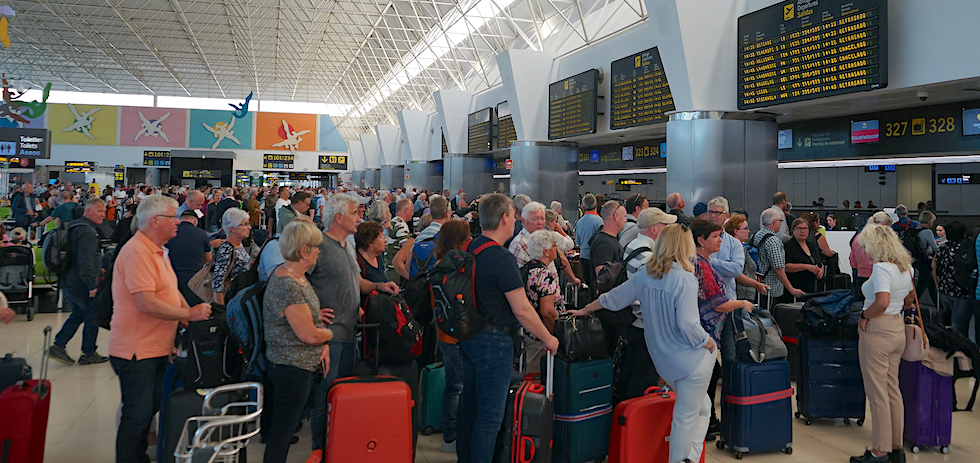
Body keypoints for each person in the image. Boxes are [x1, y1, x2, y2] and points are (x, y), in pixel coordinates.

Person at [568, 224, 714, 463]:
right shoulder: (686, 279)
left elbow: (613, 299)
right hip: (690, 360)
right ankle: (682, 460)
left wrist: (585, 309)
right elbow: (689, 325)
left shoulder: (646, 274)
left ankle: (690, 458)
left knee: (702, 407)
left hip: (663, 361)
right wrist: (707, 341)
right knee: (686, 417)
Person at [108, 195, 212, 463]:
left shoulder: (159, 250)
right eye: (172, 217)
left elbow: (171, 292)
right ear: (155, 221)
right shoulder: (137, 252)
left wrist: (186, 324)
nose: (178, 221)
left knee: (150, 407)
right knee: (137, 413)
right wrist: (187, 313)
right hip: (135, 350)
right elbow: (147, 303)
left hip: (155, 347)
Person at [456, 193, 559, 463]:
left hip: (469, 336)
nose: (514, 221)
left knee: (470, 409)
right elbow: (522, 308)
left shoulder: (471, 248)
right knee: (490, 417)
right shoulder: (501, 258)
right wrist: (548, 337)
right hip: (494, 342)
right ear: (504, 218)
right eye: (513, 216)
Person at [307, 193, 399, 452]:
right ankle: (321, 450)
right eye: (354, 214)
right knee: (325, 396)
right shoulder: (319, 246)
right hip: (329, 337)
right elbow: (298, 279)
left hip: (350, 333)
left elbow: (357, 282)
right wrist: (313, 313)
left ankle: (337, 447)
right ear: (338, 217)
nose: (359, 218)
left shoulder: (347, 245)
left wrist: (379, 286)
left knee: (342, 395)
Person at [262, 220, 331, 463]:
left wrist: (322, 342)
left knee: (284, 427)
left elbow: (312, 320)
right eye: (316, 247)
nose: (319, 251)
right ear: (304, 251)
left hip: (300, 364)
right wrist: (331, 335)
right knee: (282, 430)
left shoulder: (296, 277)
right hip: (291, 366)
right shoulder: (288, 284)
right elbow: (308, 334)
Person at [850, 224, 914, 463]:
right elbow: (908, 299)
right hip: (898, 330)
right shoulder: (906, 268)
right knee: (892, 390)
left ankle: (879, 451)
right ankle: (896, 447)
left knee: (877, 394)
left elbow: (882, 302)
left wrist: (865, 315)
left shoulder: (881, 269)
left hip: (878, 330)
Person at [690, 219, 755, 436]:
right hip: (704, 332)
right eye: (716, 237)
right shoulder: (702, 265)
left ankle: (707, 421)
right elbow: (719, 304)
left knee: (709, 375)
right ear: (701, 240)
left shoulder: (702, 262)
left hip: (702, 330)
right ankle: (705, 423)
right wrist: (742, 303)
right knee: (708, 376)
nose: (720, 240)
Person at [48, 198, 110, 366]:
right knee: (93, 316)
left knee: (78, 314)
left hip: (68, 280)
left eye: (104, 211)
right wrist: (92, 284)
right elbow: (85, 260)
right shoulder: (87, 232)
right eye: (99, 211)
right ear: (88, 211)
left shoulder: (74, 226)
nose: (103, 215)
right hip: (81, 283)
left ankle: (58, 345)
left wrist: (98, 270)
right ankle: (88, 352)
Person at [431, 219, 472, 454]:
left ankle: (449, 436)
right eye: (467, 237)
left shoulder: (439, 263)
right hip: (459, 336)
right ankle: (458, 437)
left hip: (444, 333)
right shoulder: (458, 266)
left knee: (453, 384)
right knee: (466, 385)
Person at [521, 230, 563, 374]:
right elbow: (548, 311)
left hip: (529, 331)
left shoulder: (527, 269)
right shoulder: (544, 276)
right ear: (545, 251)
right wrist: (554, 335)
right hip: (542, 335)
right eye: (554, 245)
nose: (556, 248)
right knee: (538, 376)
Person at [509, 201, 579, 285]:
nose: (540, 223)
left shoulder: (546, 237)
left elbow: (561, 258)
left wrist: (573, 279)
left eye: (542, 219)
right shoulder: (518, 245)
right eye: (534, 219)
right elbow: (514, 281)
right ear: (524, 221)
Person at [751, 208, 803, 308]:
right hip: (771, 290)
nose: (781, 223)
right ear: (775, 222)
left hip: (757, 286)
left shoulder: (755, 236)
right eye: (780, 221)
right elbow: (778, 268)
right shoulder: (773, 241)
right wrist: (791, 289)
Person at [933, 221, 978, 336]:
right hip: (962, 293)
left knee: (947, 323)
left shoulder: (942, 248)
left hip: (945, 290)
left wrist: (938, 285)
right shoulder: (965, 249)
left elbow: (934, 266)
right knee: (959, 327)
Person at [705, 197, 744, 302]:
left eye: (717, 212)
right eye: (710, 212)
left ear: (726, 216)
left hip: (726, 299)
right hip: (701, 300)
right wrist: (724, 267)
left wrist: (707, 261)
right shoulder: (695, 239)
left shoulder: (734, 243)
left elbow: (736, 269)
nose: (713, 216)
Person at [211, 208, 252, 305]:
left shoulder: (238, 244)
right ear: (233, 229)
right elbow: (217, 282)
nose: (249, 227)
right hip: (231, 301)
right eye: (245, 224)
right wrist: (221, 311)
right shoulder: (227, 249)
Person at [165, 209, 212, 294]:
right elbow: (208, 258)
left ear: (180, 220)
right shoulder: (202, 233)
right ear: (195, 221)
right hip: (195, 278)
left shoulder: (170, 232)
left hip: (172, 276)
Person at [725, 214, 769, 301]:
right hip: (742, 295)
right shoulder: (737, 248)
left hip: (744, 293)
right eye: (745, 228)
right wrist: (756, 284)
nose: (748, 231)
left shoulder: (736, 246)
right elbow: (737, 273)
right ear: (736, 231)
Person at [784, 218, 825, 295]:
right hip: (797, 288)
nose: (802, 231)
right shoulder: (788, 245)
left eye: (805, 228)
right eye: (799, 228)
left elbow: (819, 261)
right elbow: (786, 267)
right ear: (793, 230)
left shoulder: (811, 245)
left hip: (814, 288)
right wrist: (806, 267)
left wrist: (821, 270)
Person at [575, 193, 603, 287]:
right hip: (595, 258)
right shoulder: (599, 221)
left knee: (588, 284)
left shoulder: (580, 222)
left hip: (583, 256)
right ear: (596, 205)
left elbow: (577, 242)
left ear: (583, 206)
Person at [913, 211, 939, 304]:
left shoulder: (916, 229)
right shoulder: (927, 232)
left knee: (930, 283)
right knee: (922, 285)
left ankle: (938, 305)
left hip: (917, 260)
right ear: (929, 221)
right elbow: (935, 248)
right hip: (925, 261)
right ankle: (913, 304)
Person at [387, 198, 414, 281]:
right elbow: (407, 250)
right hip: (396, 271)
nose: (412, 213)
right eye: (411, 211)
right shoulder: (401, 226)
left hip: (388, 267)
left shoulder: (392, 222)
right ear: (406, 210)